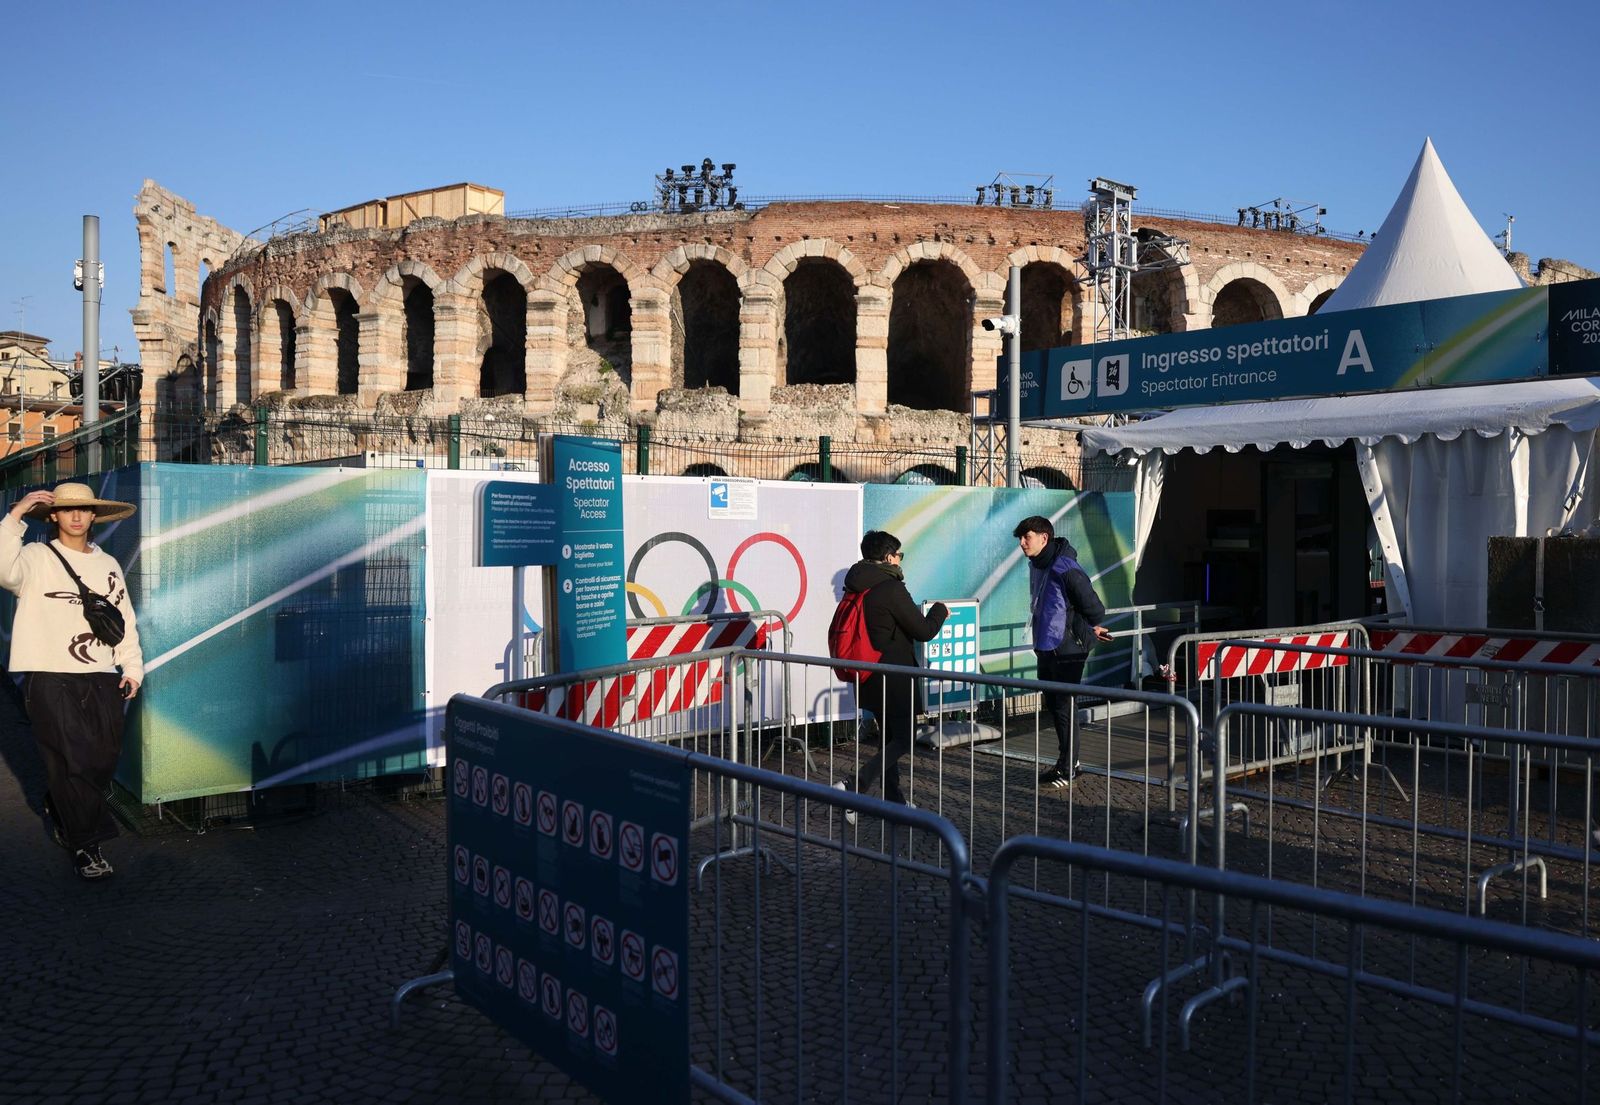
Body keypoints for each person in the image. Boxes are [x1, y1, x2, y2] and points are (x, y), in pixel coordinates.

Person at [0, 482, 144, 879]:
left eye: (84, 510)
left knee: (102, 758)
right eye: (67, 510)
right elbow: (2, 570)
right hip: (49, 673)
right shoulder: (35, 556)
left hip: (100, 673)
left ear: (94, 515)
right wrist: (17, 514)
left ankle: (59, 799)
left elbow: (123, 620)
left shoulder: (109, 563)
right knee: (73, 759)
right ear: (54, 517)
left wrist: (131, 666)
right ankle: (86, 846)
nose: (77, 516)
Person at [834, 530, 947, 809]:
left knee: (888, 738)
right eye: (899, 555)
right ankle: (855, 785)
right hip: (894, 676)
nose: (900, 560)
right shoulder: (891, 588)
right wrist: (940, 611)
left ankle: (892, 800)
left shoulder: (856, 584)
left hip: (869, 674)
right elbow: (923, 631)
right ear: (888, 557)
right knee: (905, 738)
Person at [1014, 515, 1112, 789]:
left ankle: (1070, 767)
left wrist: (1089, 625)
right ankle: (1067, 762)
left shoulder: (1064, 566)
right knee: (1055, 706)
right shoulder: (1038, 565)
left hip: (1068, 647)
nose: (1022, 543)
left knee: (1064, 707)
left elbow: (1094, 607)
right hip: (1046, 647)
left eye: (1027, 537)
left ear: (1044, 538)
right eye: (1021, 538)